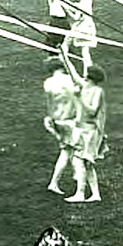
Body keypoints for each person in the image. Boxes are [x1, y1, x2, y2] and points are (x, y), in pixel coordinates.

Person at [64, 62, 107, 203]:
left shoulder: (97, 92)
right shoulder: (84, 86)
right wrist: (64, 56)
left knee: (79, 161)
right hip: (83, 129)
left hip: (89, 132)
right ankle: (95, 195)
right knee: (87, 164)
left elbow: (92, 111)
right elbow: (72, 72)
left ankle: (80, 194)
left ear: (90, 78)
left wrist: (79, 97)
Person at [44, 56, 82, 195]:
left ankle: (60, 180)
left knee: (67, 150)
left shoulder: (48, 82)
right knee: (74, 151)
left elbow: (50, 102)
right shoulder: (70, 80)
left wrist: (50, 118)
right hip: (71, 120)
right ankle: (62, 182)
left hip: (57, 120)